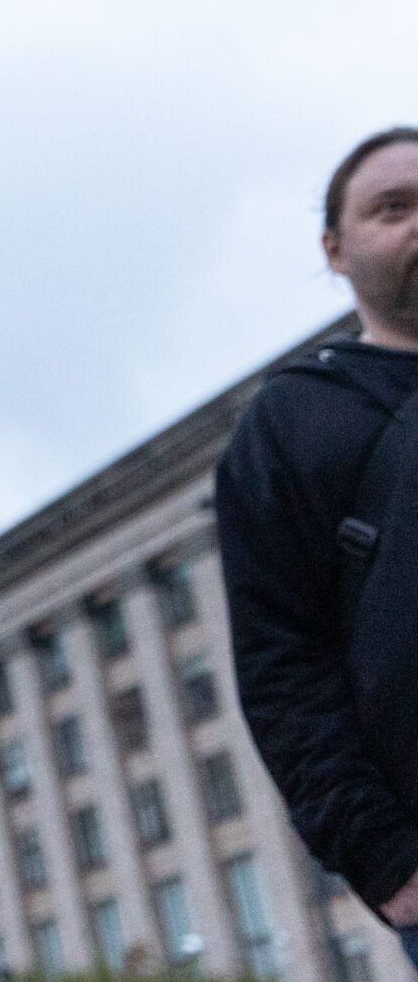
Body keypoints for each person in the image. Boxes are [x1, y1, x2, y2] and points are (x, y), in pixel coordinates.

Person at [219, 127, 418, 965]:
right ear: (335, 249)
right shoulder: (292, 422)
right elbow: (282, 665)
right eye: (393, 208)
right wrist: (387, 860)